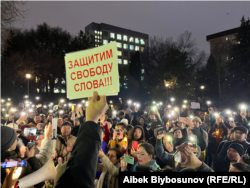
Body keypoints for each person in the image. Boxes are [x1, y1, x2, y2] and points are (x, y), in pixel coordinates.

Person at [54, 91, 109, 188]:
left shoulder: (75, 138)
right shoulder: (57, 139)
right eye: (64, 128)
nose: (66, 130)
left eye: (68, 128)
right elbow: (78, 177)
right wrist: (92, 119)